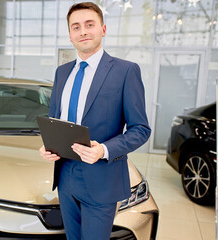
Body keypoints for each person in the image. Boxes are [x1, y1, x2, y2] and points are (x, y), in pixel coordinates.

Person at [39, 2, 151, 240]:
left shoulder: (125, 71)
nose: (83, 31)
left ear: (103, 29)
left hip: (101, 178)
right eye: (76, 27)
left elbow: (140, 129)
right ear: (70, 35)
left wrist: (104, 150)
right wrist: (49, 145)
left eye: (90, 25)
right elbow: (55, 119)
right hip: (65, 177)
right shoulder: (62, 72)